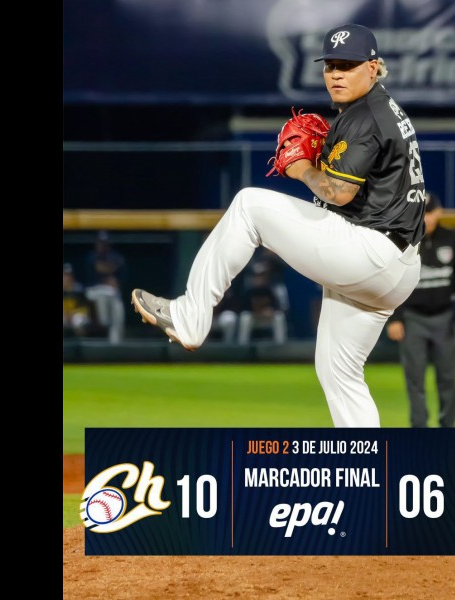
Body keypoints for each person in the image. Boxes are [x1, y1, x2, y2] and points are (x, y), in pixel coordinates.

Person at [132, 23, 425, 427]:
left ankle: (189, 317)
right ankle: (365, 465)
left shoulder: (365, 116)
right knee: (338, 373)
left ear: (373, 68)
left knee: (248, 205)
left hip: (370, 251)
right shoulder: (379, 109)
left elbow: (338, 192)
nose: (336, 74)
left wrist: (301, 166)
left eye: (348, 65)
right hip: (398, 267)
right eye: (331, 65)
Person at [385, 192, 455, 428]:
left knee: (447, 378)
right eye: (421, 213)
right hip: (412, 319)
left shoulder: (452, 240)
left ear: (439, 212)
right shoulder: (402, 241)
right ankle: (420, 430)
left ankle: (448, 429)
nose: (426, 218)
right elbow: (391, 281)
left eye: (429, 212)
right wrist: (394, 318)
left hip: (444, 317)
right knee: (414, 379)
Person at [84, 230, 127, 344]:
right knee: (104, 300)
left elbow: (120, 265)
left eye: (104, 243)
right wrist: (107, 279)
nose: (102, 245)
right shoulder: (91, 256)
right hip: (94, 290)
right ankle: (104, 323)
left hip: (110, 293)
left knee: (118, 306)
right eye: (100, 243)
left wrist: (113, 281)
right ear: (96, 243)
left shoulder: (115, 256)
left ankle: (115, 342)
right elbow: (99, 267)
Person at [63, 263, 91, 337]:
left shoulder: (79, 288)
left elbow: (83, 307)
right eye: (65, 275)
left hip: (77, 313)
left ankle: (81, 341)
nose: (67, 277)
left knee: (78, 320)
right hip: (64, 314)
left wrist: (72, 313)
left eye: (69, 275)